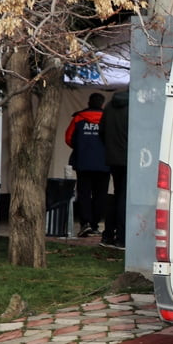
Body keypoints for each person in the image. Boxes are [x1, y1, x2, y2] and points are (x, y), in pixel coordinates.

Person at [64, 92, 108, 237]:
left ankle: (85, 224)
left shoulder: (78, 118)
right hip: (104, 164)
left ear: (89, 103)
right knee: (100, 195)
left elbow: (69, 138)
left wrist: (80, 148)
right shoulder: (107, 118)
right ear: (102, 104)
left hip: (82, 162)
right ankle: (95, 224)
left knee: (83, 194)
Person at [99, 88, 129, 249]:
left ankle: (108, 235)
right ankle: (122, 238)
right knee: (125, 197)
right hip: (131, 158)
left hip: (113, 157)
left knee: (117, 195)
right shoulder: (137, 106)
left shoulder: (110, 105)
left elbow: (101, 131)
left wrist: (111, 148)